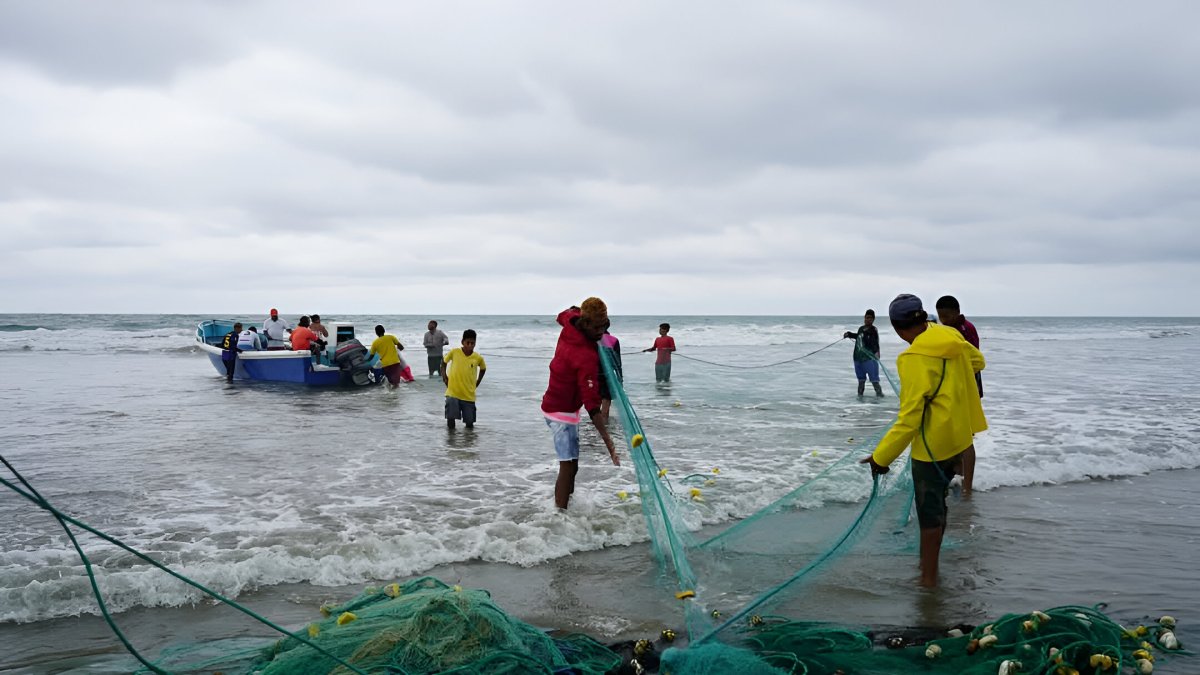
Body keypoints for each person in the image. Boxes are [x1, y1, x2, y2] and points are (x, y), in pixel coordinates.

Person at [860, 294, 987, 587]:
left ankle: (928, 580)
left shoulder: (912, 358)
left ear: (896, 327)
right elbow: (978, 360)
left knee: (929, 515)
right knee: (940, 506)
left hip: (932, 446)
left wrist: (881, 458)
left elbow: (909, 419)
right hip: (959, 436)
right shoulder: (949, 335)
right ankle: (928, 569)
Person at [542, 299, 620, 510]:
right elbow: (592, 404)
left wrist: (578, 310)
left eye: (604, 325)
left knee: (573, 464)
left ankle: (569, 503)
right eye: (595, 327)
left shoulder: (570, 320)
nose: (600, 331)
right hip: (560, 412)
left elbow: (564, 313)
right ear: (584, 323)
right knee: (567, 466)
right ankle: (560, 515)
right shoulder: (585, 356)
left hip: (564, 407)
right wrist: (609, 443)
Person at [936, 295, 984, 494]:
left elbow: (972, 362)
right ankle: (958, 475)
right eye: (941, 317)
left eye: (946, 316)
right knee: (955, 436)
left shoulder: (965, 330)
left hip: (967, 387)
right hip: (958, 387)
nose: (943, 321)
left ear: (957, 312)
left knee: (965, 438)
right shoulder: (952, 329)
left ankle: (967, 487)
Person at [441, 329, 487, 429]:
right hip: (453, 393)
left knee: (470, 424)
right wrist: (444, 376)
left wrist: (477, 382)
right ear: (462, 342)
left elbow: (483, 369)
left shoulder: (478, 358)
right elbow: (443, 363)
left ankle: (468, 442)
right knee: (451, 419)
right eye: (468, 343)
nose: (470, 345)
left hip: (468, 395)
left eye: (473, 343)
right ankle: (450, 441)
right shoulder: (454, 352)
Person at [843, 309, 884, 397]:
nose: (867, 320)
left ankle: (880, 399)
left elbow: (875, 342)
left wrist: (877, 352)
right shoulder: (861, 328)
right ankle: (860, 400)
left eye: (870, 318)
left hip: (869, 358)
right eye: (866, 317)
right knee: (861, 381)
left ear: (873, 319)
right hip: (858, 358)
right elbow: (858, 336)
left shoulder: (873, 330)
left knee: (874, 381)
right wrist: (849, 334)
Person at [599, 322, 623, 422]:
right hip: (608, 374)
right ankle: (605, 422)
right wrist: (620, 379)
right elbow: (618, 362)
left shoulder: (591, 339)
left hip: (592, 373)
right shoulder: (614, 340)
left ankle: (600, 424)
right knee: (606, 398)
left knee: (595, 399)